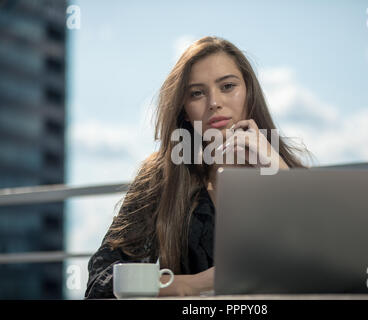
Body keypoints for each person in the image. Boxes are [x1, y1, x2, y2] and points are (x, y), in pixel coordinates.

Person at [84, 36, 309, 299]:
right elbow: (101, 282)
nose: (214, 102)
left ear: (249, 92)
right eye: (197, 93)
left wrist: (279, 172)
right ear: (184, 110)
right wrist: (192, 284)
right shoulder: (161, 177)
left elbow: (330, 265)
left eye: (227, 86)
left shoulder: (285, 166)